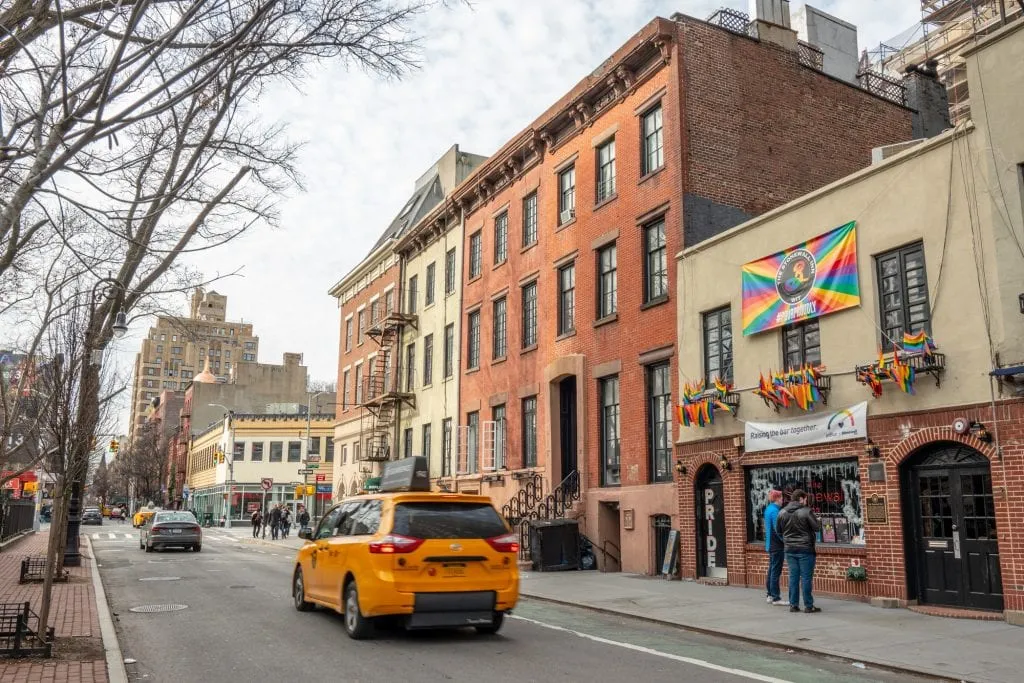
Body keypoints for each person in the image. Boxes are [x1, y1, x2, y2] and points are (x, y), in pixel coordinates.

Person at [778, 489, 822, 613]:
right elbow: (817, 528)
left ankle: (793, 604)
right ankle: (808, 605)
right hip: (805, 549)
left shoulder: (782, 512)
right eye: (805, 499)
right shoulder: (806, 511)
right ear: (801, 499)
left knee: (793, 577)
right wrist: (818, 520)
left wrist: (787, 540)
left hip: (789, 549)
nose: (806, 501)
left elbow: (778, 530)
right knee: (806, 578)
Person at [763, 490, 786, 606]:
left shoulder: (768, 509)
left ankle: (770, 595)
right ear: (777, 498)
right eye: (781, 498)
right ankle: (776, 597)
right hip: (776, 545)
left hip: (771, 545)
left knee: (771, 570)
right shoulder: (775, 511)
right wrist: (785, 540)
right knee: (775, 572)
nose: (783, 500)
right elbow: (778, 529)